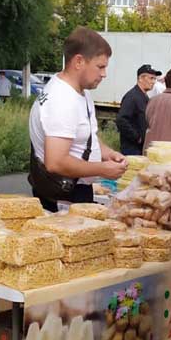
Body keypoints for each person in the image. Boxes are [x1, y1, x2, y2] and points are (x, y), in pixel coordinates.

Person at [28, 27, 128, 211]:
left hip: (74, 190)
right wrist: (102, 169)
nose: (104, 74)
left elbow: (82, 135)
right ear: (79, 61)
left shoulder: (79, 92)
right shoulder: (62, 100)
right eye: (100, 66)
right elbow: (55, 162)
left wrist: (108, 153)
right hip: (63, 195)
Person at [116, 64, 161, 155]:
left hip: (141, 148)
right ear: (140, 78)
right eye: (151, 78)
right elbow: (121, 120)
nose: (153, 82)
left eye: (154, 79)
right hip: (132, 149)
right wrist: (137, 138)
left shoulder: (144, 96)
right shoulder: (132, 97)